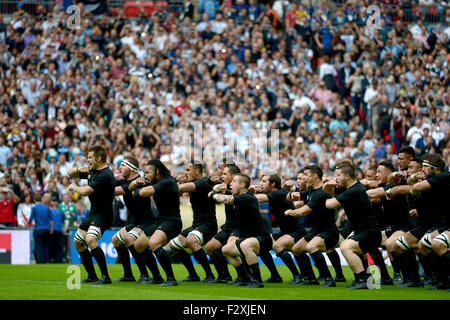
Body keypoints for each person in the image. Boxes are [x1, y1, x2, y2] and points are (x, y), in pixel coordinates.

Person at [324, 164, 382, 289]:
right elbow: (327, 189)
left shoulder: (354, 190)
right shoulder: (351, 188)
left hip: (370, 232)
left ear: (347, 176)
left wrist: (323, 197)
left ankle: (363, 279)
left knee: (346, 246)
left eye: (338, 175)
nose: (336, 178)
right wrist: (328, 186)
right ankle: (362, 279)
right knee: (348, 246)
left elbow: (330, 204)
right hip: (363, 231)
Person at [285, 165, 344, 287]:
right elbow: (289, 197)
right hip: (316, 230)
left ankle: (328, 279)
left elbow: (302, 212)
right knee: (296, 249)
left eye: (306, 175)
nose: (304, 178)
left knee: (312, 247)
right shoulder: (311, 190)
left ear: (315, 176)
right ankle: (311, 278)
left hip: (328, 231)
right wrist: (291, 195)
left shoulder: (322, 192)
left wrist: (289, 212)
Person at [129, 159, 183, 287]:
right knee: (138, 245)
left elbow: (144, 192)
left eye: (147, 172)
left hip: (172, 221)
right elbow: (131, 188)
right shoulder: (161, 181)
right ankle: (157, 277)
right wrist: (135, 186)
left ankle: (171, 278)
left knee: (153, 243)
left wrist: (136, 189)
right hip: (161, 221)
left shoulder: (167, 182)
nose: (145, 176)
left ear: (157, 171)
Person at [68, 145, 115, 285]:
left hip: (104, 214)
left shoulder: (105, 174)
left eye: (89, 157)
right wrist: (78, 170)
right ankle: (92, 276)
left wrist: (73, 187)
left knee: (90, 239)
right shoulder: (92, 171)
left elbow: (84, 192)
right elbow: (70, 173)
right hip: (93, 213)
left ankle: (105, 277)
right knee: (77, 242)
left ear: (99, 158)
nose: (87, 160)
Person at [215, 174, 272, 288]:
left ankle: (257, 281)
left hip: (262, 239)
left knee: (246, 245)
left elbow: (222, 199)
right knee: (226, 250)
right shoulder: (241, 196)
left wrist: (213, 193)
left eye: (234, 181)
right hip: (249, 239)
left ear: (242, 185)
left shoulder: (246, 197)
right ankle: (244, 277)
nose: (231, 183)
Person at [251, 172, 307, 284]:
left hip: (296, 231)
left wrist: (247, 192)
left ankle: (297, 276)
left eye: (264, 181)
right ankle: (275, 276)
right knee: (263, 243)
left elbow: (259, 198)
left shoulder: (279, 193)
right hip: (285, 231)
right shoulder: (276, 194)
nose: (261, 184)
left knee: (278, 245)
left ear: (272, 183)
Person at [112, 155, 159, 284]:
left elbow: (111, 191)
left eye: (123, 165)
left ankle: (145, 275)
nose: (120, 167)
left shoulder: (141, 181)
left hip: (147, 222)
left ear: (131, 169)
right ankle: (128, 275)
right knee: (115, 240)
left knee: (129, 239)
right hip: (136, 222)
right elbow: (106, 185)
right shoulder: (124, 180)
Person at [169, 161, 217, 283]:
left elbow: (182, 188)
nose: (185, 173)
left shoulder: (203, 182)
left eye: (188, 170)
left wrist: (170, 182)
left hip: (208, 224)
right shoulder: (194, 183)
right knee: (174, 245)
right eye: (185, 170)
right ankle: (193, 275)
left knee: (191, 240)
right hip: (197, 225)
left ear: (197, 171)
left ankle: (209, 275)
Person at [204, 163, 241, 284]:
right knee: (209, 248)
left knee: (231, 249)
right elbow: (208, 183)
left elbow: (229, 196)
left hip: (239, 226)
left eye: (225, 173)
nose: (222, 175)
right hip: (228, 226)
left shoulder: (239, 188)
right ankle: (223, 276)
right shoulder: (225, 187)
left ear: (234, 175)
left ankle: (244, 276)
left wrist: (215, 194)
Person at [29, 193, 53, 263]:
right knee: (46, 246)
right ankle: (46, 260)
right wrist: (51, 228)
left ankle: (40, 261)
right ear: (41, 199)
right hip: (47, 229)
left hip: (38, 229)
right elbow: (51, 219)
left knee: (39, 246)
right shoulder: (47, 207)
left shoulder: (34, 208)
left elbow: (30, 219)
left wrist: (30, 222)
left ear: (34, 200)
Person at [49, 194, 68, 263]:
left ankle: (51, 259)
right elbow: (66, 221)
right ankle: (59, 260)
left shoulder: (50, 212)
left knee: (51, 246)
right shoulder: (60, 212)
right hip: (59, 231)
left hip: (51, 231)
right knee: (59, 247)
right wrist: (64, 230)